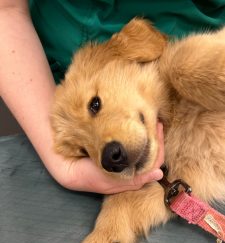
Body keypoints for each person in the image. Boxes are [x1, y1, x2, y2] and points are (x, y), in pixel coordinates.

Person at [1, 0, 224, 194]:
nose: (107, 156)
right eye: (84, 149)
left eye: (95, 105)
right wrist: (66, 167)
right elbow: (5, 9)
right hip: (48, 70)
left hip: (197, 40)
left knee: (186, 69)